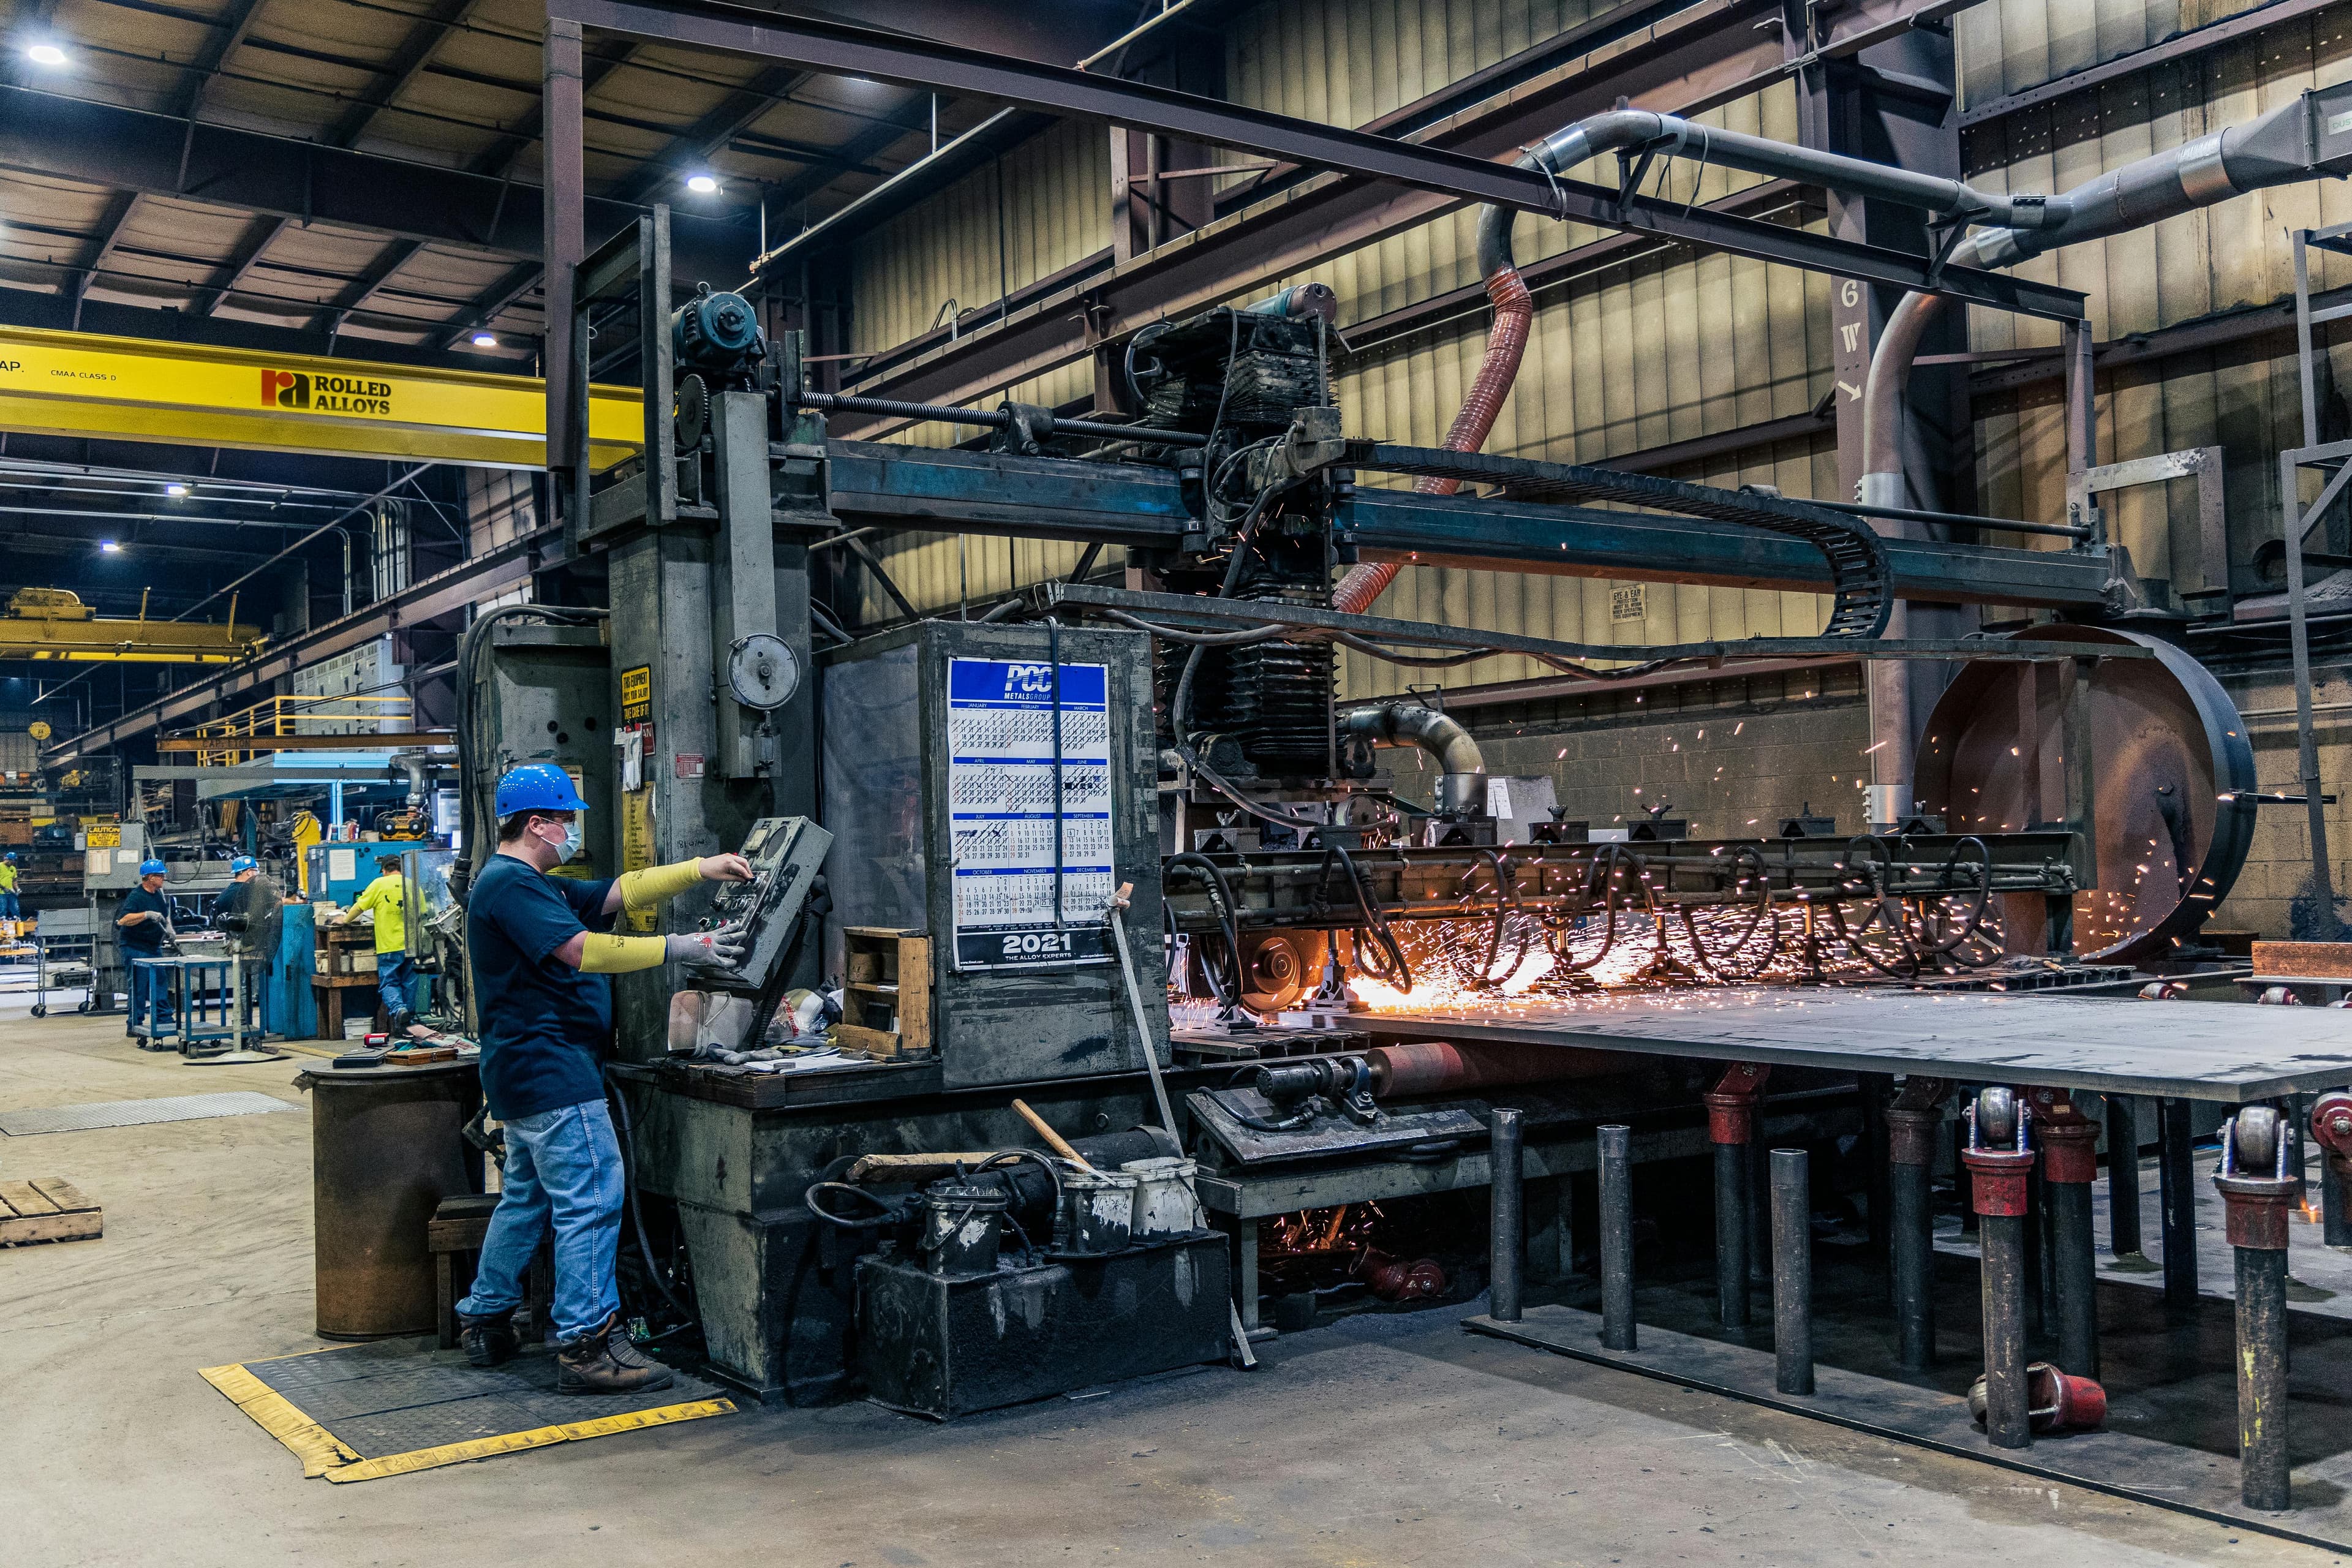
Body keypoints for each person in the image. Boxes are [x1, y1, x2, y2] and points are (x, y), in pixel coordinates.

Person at [454, 764, 751, 1393]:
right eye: (565, 819)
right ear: (537, 823)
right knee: (592, 1197)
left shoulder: (532, 883)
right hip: (552, 1071)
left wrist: (703, 867)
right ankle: (588, 1346)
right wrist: (682, 947)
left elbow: (621, 890)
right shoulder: (511, 886)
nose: (570, 829)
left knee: (529, 1197)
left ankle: (486, 1315)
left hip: (525, 1073)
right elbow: (582, 951)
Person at [334, 853, 421, 1035]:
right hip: (412, 945)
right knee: (409, 983)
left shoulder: (379, 884)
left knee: (389, 983)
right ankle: (408, 1025)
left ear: (384, 870)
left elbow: (359, 907)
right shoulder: (412, 884)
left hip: (389, 945)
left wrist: (345, 920)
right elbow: (424, 912)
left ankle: (399, 1011)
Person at [116, 858, 174, 1038]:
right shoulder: (137, 896)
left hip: (153, 947)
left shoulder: (158, 894)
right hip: (135, 947)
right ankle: (134, 1024)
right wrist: (146, 915)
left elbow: (165, 914)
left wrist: (170, 928)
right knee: (139, 986)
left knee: (159, 982)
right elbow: (123, 920)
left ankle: (164, 1019)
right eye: (160, 875)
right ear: (150, 877)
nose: (163, 878)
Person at [0, 851, 19, 921]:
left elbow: (14, 880)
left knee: (15, 909)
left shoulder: (13, 868)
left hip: (11, 892)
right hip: (1, 893)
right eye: (12, 861)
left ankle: (17, 921)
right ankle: (2, 922)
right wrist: (4, 888)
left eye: (13, 862)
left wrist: (17, 889)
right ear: (7, 860)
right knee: (3, 909)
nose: (12, 863)